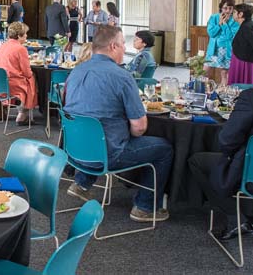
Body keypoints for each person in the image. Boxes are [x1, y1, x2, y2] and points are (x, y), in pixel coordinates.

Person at [64, 26, 173, 222]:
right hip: (107, 155)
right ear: (113, 46)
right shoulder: (122, 77)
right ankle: (145, 207)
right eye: (123, 44)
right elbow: (139, 128)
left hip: (74, 152)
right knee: (164, 148)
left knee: (98, 130)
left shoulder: (76, 71)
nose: (125, 48)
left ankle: (81, 182)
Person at [188, 89, 253, 240]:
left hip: (249, 177)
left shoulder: (250, 97)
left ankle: (231, 212)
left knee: (197, 161)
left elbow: (227, 140)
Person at [0, 22, 36, 125]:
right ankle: (22, 114)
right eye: (25, 33)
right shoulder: (21, 49)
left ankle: (20, 109)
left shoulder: (2, 46)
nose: (26, 36)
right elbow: (27, 73)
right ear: (19, 35)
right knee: (31, 79)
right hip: (10, 85)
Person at [205, 0, 239, 86]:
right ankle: (203, 91)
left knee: (224, 74)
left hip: (227, 49)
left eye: (230, 8)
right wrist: (219, 24)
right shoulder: (214, 17)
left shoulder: (235, 20)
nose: (228, 11)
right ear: (221, 8)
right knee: (205, 71)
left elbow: (230, 36)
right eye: (225, 8)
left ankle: (223, 93)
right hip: (214, 49)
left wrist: (224, 24)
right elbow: (211, 33)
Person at [229, 3, 253, 85]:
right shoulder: (246, 25)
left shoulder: (247, 27)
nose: (233, 14)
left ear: (240, 14)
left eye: (235, 12)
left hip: (244, 62)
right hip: (241, 60)